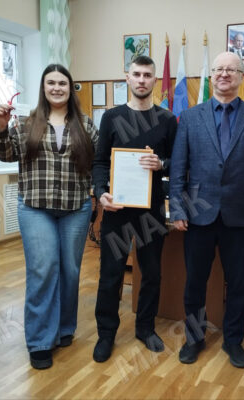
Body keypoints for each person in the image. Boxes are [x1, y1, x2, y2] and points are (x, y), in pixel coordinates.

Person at [169, 52, 244, 368]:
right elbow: (178, 168)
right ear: (212, 75)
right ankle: (194, 338)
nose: (224, 74)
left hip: (239, 219)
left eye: (231, 69)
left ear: (241, 76)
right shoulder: (190, 118)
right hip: (197, 216)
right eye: (219, 69)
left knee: (239, 284)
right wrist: (178, 210)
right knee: (194, 283)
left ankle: (233, 341)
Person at [0, 64, 98, 370]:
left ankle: (64, 328)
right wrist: (1, 126)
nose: (56, 88)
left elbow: (99, 161)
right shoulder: (26, 124)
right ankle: (40, 340)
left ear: (70, 88)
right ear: (43, 87)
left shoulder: (86, 125)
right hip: (35, 208)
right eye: (51, 83)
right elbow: (5, 154)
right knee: (43, 269)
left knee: (70, 271)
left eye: (62, 83)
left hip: (76, 208)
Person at [92, 55, 177, 362]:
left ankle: (145, 328)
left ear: (155, 80)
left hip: (150, 212)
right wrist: (100, 193)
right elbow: (100, 162)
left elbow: (178, 164)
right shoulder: (111, 117)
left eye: (147, 75)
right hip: (116, 210)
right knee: (110, 275)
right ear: (127, 78)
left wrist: (162, 163)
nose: (142, 80)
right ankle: (106, 334)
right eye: (136, 74)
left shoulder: (167, 120)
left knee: (151, 274)